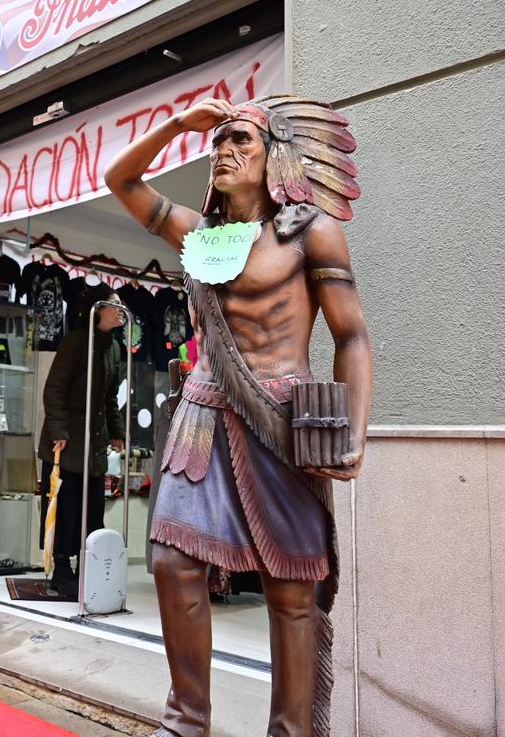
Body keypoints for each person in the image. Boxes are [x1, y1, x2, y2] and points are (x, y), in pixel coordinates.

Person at [105, 96, 372, 737]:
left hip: (283, 414)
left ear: (273, 155)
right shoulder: (201, 236)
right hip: (202, 409)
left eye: (240, 141)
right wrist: (177, 124)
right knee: (173, 564)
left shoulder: (312, 232)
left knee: (292, 587)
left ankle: (292, 731)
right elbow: (120, 180)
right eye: (217, 143)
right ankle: (186, 723)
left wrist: (355, 431)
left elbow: (352, 337)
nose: (223, 150)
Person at [37, 283, 127, 596]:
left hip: (93, 444)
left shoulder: (115, 347)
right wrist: (59, 432)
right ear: (96, 310)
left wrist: (117, 431)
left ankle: (87, 569)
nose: (120, 310)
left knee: (93, 510)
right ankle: (61, 570)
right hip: (65, 443)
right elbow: (54, 390)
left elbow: (110, 397)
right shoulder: (75, 343)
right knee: (66, 508)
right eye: (113, 304)